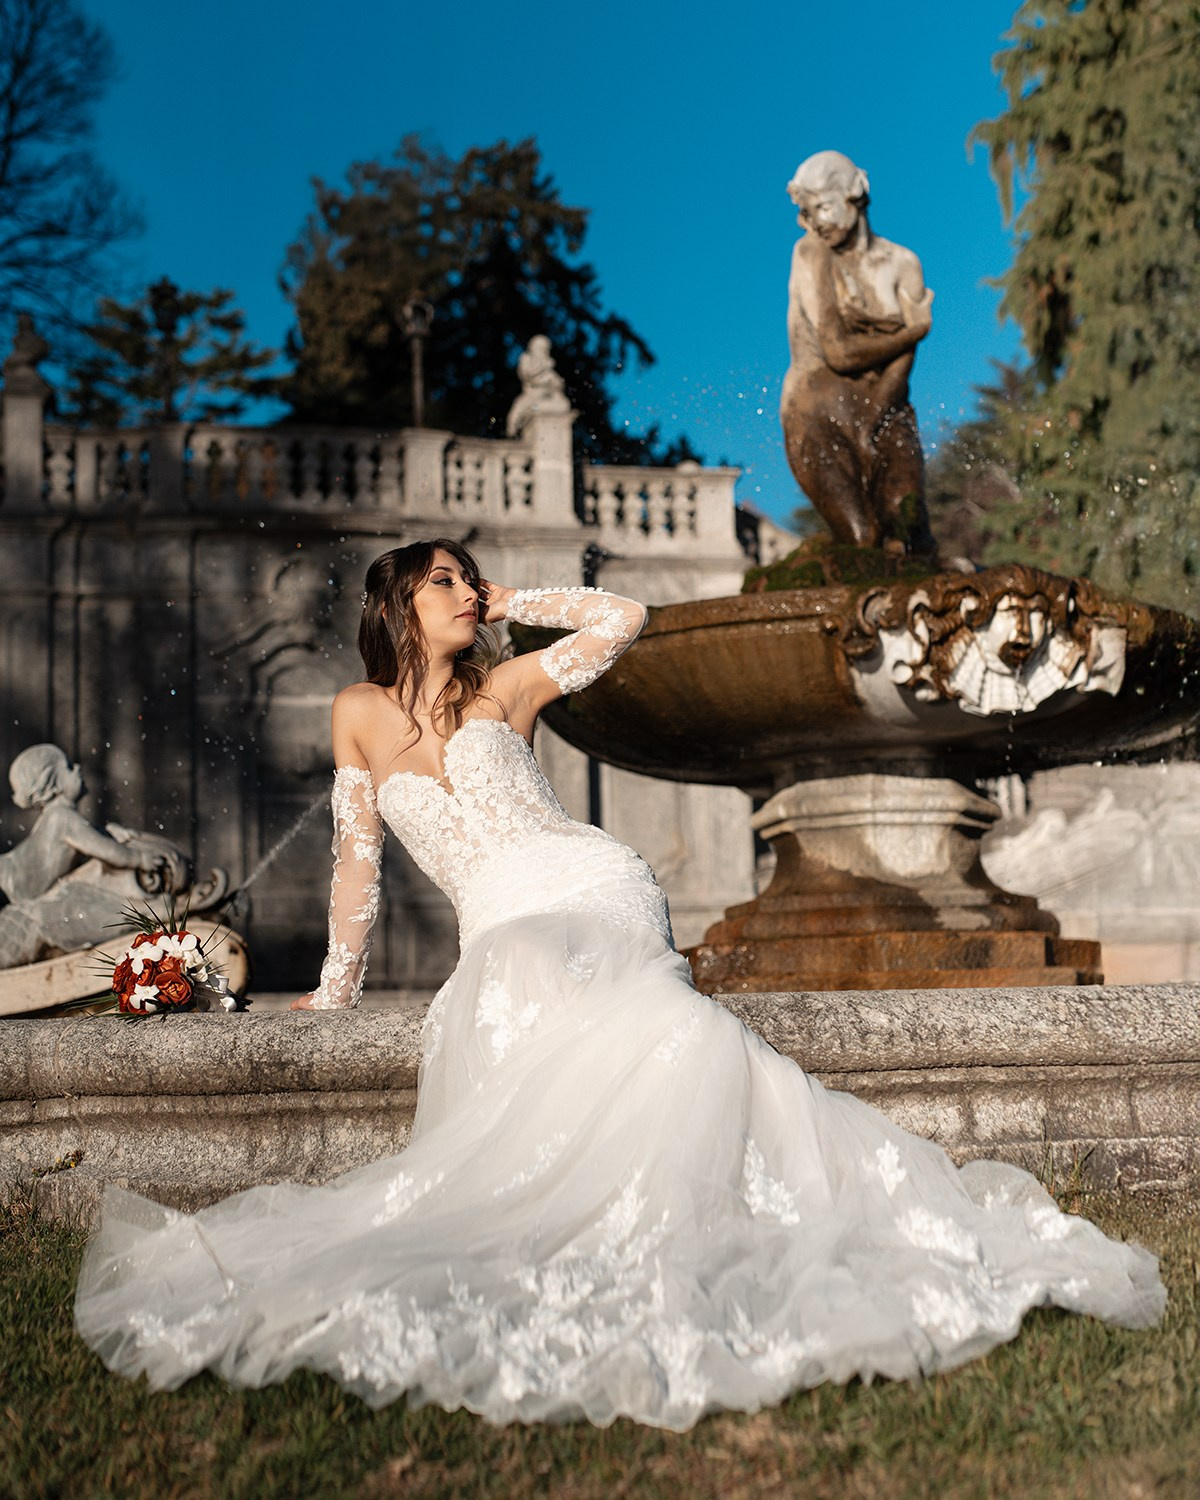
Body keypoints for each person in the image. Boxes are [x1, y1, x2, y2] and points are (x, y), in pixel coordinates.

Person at [76, 540, 1164, 1430]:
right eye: (444, 580)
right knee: (524, 977)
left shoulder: (507, 685)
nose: (465, 593)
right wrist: (333, 988)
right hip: (501, 917)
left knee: (643, 1015)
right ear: (400, 603)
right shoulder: (360, 710)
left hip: (593, 884)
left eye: (469, 579)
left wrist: (514, 596)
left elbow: (624, 621)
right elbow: (354, 865)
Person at [782, 150, 937, 555]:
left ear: (854, 196)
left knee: (907, 528)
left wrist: (876, 419)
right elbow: (839, 354)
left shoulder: (903, 263)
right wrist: (914, 330)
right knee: (862, 538)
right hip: (817, 410)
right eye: (807, 213)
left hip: (887, 406)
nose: (815, 222)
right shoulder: (811, 253)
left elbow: (904, 359)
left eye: (823, 208)